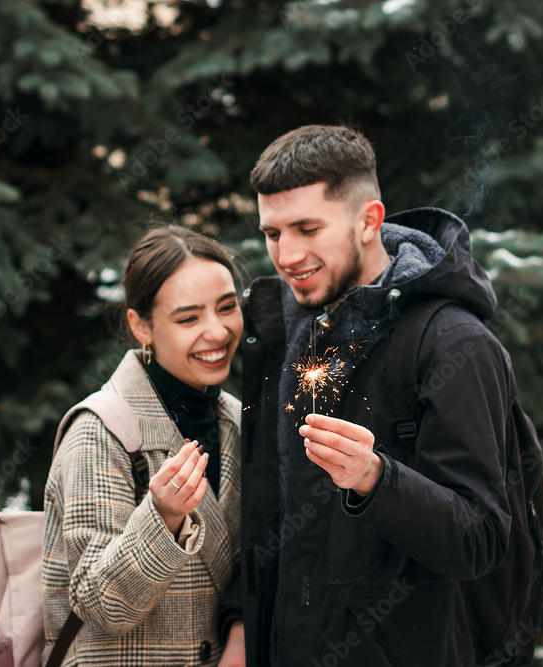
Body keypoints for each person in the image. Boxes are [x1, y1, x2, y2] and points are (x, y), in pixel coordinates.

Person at [218, 125, 518, 666]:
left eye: (307, 228)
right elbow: (269, 517)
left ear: (368, 220)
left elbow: (482, 540)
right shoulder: (278, 337)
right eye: (272, 233)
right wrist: (241, 626)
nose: (286, 255)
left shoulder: (456, 344)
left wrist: (377, 480)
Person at [42, 226, 245, 666]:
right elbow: (99, 607)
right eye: (189, 318)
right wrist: (164, 517)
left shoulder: (240, 422)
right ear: (141, 326)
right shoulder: (100, 431)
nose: (217, 331)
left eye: (227, 307)